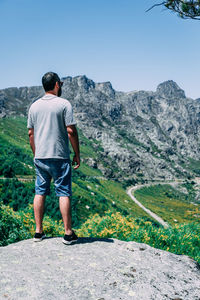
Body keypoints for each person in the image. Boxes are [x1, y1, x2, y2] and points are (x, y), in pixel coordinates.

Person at [27, 71, 80, 245]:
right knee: (63, 192)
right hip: (59, 156)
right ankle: (67, 233)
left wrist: (36, 154)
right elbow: (71, 131)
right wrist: (77, 154)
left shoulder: (34, 106)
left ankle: (38, 232)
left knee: (40, 191)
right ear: (57, 84)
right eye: (61, 84)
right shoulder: (64, 104)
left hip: (41, 156)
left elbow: (30, 133)